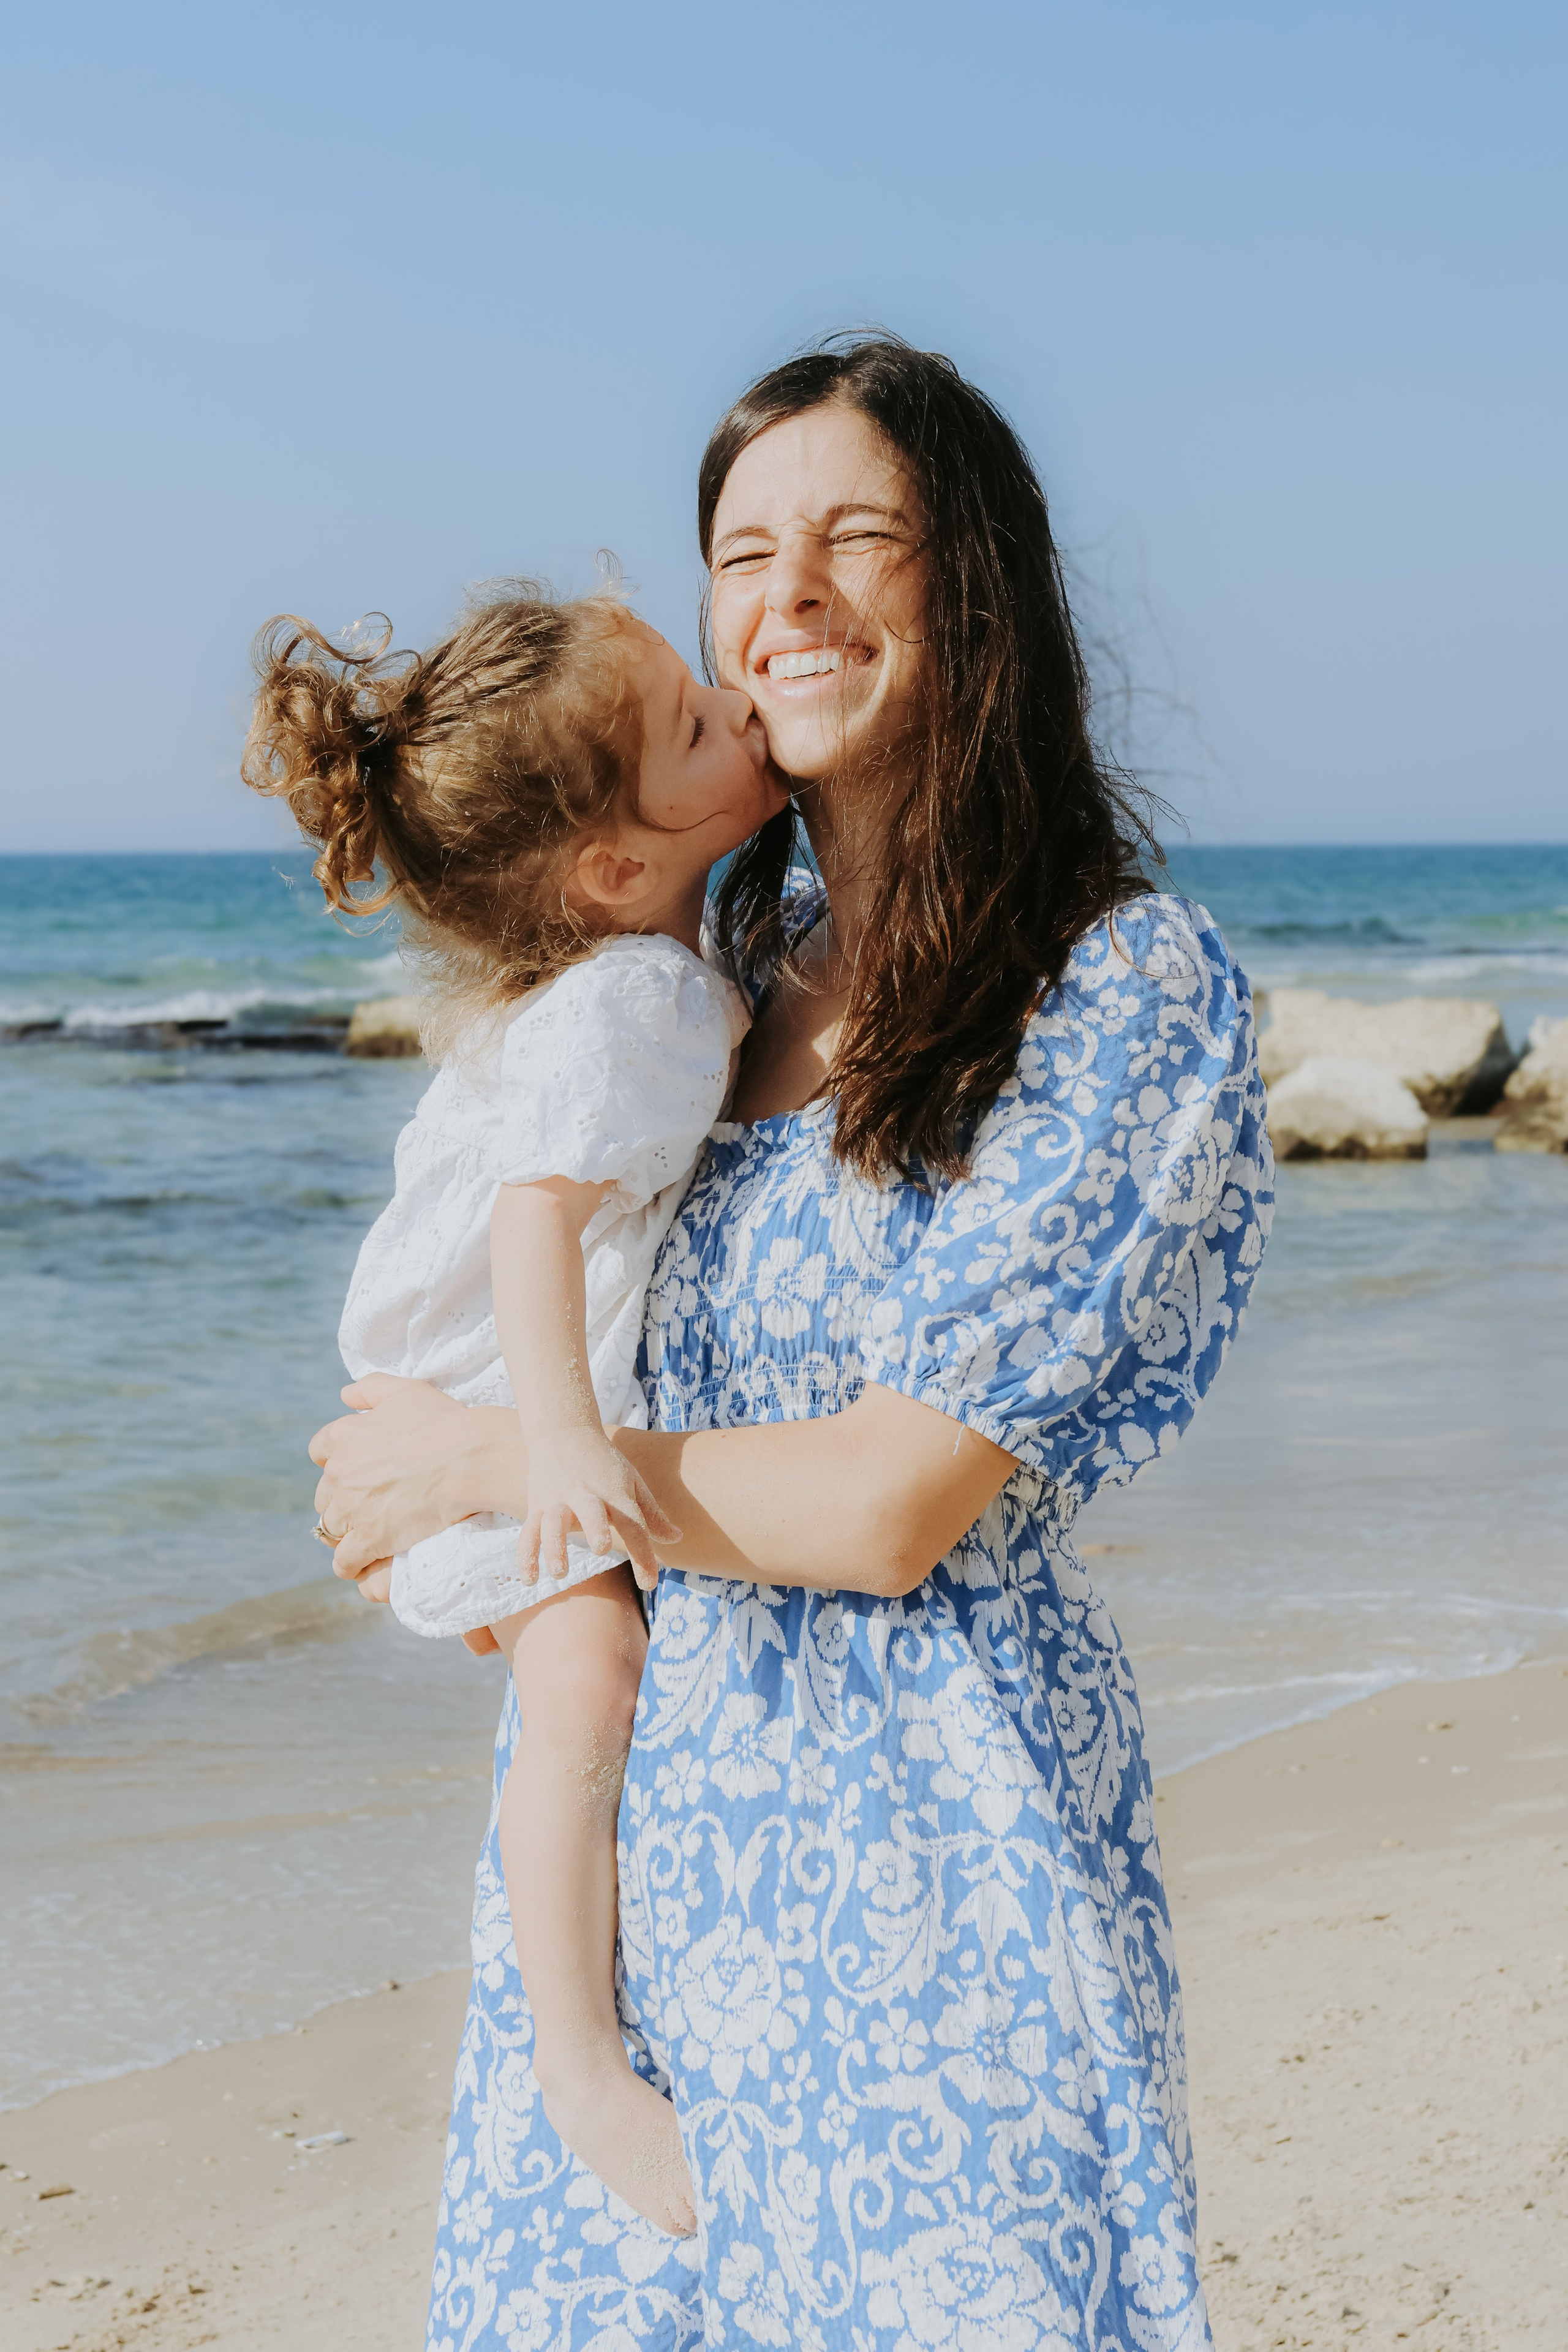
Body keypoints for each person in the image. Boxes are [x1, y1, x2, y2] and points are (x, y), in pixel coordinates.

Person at [312, 336, 1275, 2351]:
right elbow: (533, 1253)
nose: (792, 597)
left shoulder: (1119, 987)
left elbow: (892, 1499)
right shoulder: (698, 982)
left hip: (939, 1853)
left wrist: (481, 1468)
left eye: (858, 537)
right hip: (654, 1867)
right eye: (744, 555)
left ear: (975, 586)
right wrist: (460, 1488)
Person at [243, 587, 783, 2237]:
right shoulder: (636, 998)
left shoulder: (655, 949)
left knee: (583, 1684)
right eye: (696, 725)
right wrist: (551, 1444)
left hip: (466, 1381)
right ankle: (581, 2069)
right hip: (484, 1390)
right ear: (616, 867)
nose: (737, 703)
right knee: (590, 1677)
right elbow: (534, 1216)